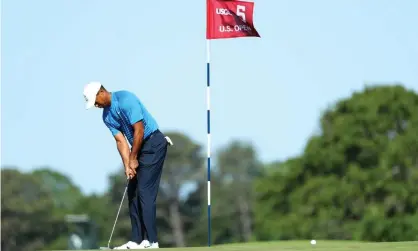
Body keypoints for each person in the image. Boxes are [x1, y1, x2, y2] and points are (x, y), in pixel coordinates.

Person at [83, 81, 173, 249]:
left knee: (145, 191)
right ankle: (137, 240)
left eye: (95, 101)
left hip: (153, 143)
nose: (95, 105)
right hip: (138, 148)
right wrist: (127, 165)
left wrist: (133, 158)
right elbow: (120, 141)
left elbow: (138, 130)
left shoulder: (125, 98)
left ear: (101, 92)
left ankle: (152, 241)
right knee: (133, 191)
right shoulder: (106, 116)